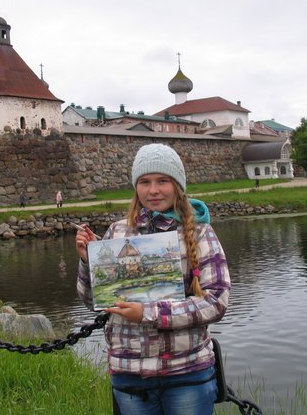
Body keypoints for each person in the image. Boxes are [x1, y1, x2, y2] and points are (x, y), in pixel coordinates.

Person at [75, 143, 230, 415]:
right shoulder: (117, 232)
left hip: (186, 372)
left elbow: (216, 301)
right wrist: (88, 261)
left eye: (162, 181)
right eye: (144, 182)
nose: (153, 190)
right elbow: (93, 302)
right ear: (136, 187)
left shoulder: (201, 233)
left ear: (177, 186)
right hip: (130, 374)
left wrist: (148, 313)